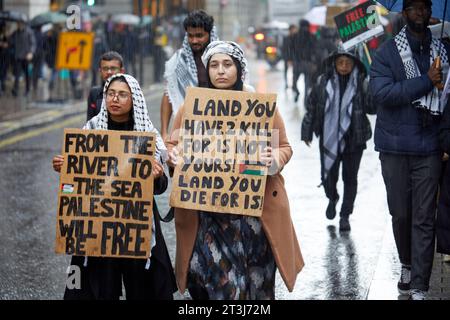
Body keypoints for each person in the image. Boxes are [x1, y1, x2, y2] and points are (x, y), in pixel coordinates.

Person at [165, 41, 304, 300]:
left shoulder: (260, 108)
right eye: (214, 65)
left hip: (253, 217)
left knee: (256, 288)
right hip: (208, 216)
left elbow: (284, 146)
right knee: (223, 288)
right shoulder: (190, 107)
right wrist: (173, 156)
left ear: (239, 69)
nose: (220, 71)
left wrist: (272, 158)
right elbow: (174, 145)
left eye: (227, 64)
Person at [52, 73, 176, 300]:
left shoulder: (147, 134)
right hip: (99, 224)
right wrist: (65, 166)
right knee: (100, 287)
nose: (114, 99)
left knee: (141, 288)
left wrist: (156, 176)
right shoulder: (91, 129)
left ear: (134, 100)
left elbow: (160, 188)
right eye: (110, 94)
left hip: (135, 225)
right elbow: (77, 183)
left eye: (122, 95)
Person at [369, 0, 450, 300]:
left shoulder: (443, 52)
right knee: (401, 214)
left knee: (424, 217)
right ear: (404, 12)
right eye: (414, 7)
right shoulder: (386, 52)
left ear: (431, 12)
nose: (420, 13)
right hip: (394, 147)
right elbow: (381, 93)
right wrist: (425, 82)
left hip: (429, 146)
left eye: (424, 7)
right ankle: (406, 262)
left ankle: (420, 284)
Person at [301, 49, 375, 232]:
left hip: (354, 140)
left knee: (350, 179)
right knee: (329, 177)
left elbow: (372, 109)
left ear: (354, 64)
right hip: (328, 137)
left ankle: (345, 215)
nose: (344, 66)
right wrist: (307, 131)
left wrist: (375, 88)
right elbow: (312, 107)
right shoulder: (322, 82)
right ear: (334, 63)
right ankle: (332, 198)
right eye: (340, 62)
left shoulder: (361, 83)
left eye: (348, 63)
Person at [160, 10, 219, 140]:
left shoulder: (223, 59)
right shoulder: (178, 61)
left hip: (219, 127)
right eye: (190, 36)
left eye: (199, 35)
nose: (194, 40)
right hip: (188, 128)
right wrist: (164, 132)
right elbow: (169, 94)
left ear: (210, 34)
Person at [86, 51, 125, 121]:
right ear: (100, 71)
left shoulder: (131, 93)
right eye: (105, 69)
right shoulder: (94, 94)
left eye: (113, 68)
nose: (109, 72)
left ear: (122, 71)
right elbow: (89, 124)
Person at [291, 19, 316, 103]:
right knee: (305, 83)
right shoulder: (310, 36)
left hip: (301, 62)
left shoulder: (296, 36)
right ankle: (302, 96)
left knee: (297, 82)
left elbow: (291, 49)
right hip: (303, 62)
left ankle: (303, 97)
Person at [9, 21, 36, 96]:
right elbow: (11, 42)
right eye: (17, 24)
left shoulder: (29, 32)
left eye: (19, 23)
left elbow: (33, 43)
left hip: (26, 57)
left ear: (23, 24)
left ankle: (27, 90)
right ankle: (15, 90)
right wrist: (10, 35)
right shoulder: (15, 33)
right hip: (18, 57)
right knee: (17, 74)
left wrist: (31, 53)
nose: (18, 25)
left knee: (27, 74)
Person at [281, 24, 297, 89]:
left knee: (294, 72)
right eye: (293, 29)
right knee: (286, 71)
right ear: (290, 30)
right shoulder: (286, 38)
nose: (295, 31)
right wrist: (287, 59)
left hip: (294, 58)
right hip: (287, 58)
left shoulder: (296, 38)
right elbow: (284, 49)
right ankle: (286, 84)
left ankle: (293, 84)